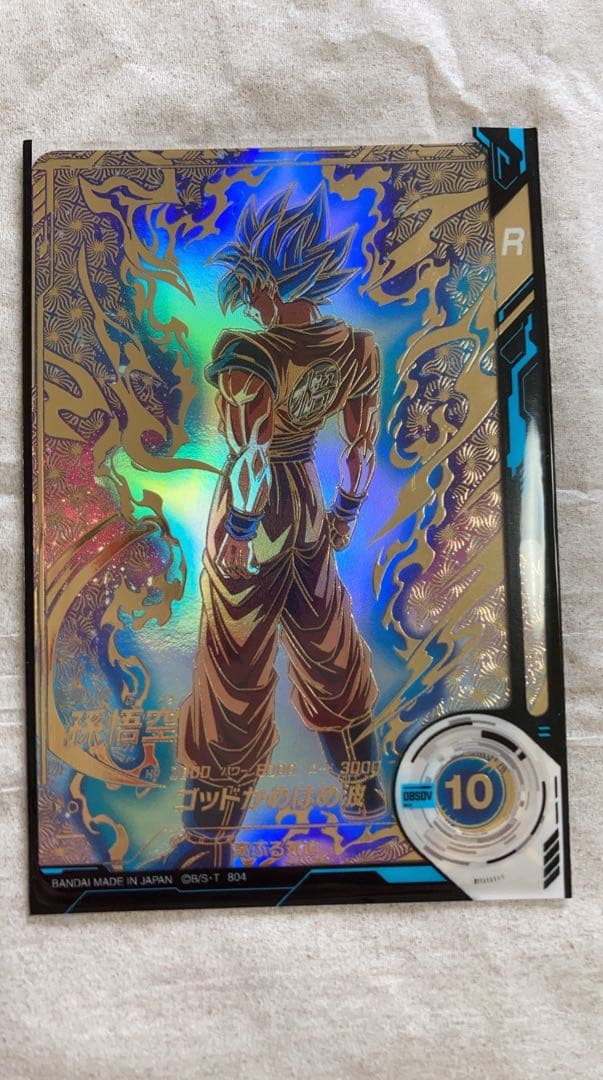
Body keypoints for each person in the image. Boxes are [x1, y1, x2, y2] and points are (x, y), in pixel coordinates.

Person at [167, 184, 386, 869]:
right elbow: (360, 452)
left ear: (272, 279)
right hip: (311, 512)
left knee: (233, 667)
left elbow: (252, 456)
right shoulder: (356, 349)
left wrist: (238, 530)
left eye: (255, 284)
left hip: (255, 511)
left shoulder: (248, 355)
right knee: (329, 641)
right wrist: (345, 514)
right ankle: (367, 796)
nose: (251, 300)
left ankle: (207, 844)